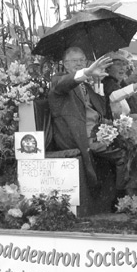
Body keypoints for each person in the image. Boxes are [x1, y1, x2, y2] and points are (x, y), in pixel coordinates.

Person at [47, 46, 128, 198]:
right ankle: (120, 199)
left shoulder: (87, 84)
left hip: (97, 131)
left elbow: (100, 110)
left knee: (130, 144)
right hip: (77, 136)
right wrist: (86, 73)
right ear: (65, 64)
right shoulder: (59, 81)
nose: (79, 63)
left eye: (82, 60)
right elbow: (65, 83)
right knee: (123, 155)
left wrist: (97, 83)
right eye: (74, 61)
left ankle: (122, 197)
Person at [101, 49, 137, 118]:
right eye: (118, 64)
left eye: (124, 64)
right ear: (108, 68)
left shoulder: (122, 84)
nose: (122, 68)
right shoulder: (107, 84)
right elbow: (114, 97)